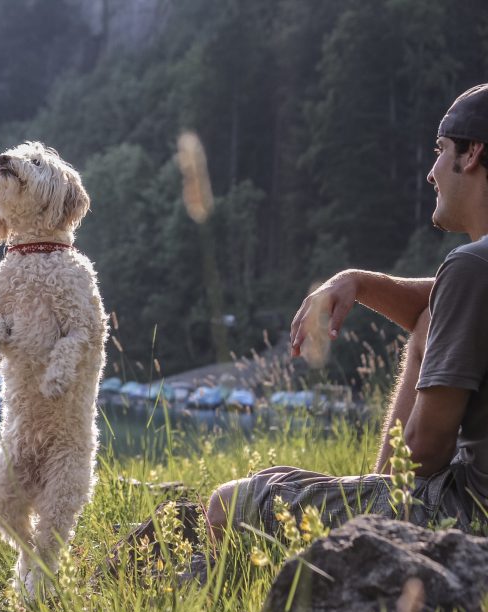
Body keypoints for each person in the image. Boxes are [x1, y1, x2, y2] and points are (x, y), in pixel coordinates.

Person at [207, 83, 488, 540]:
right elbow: (439, 300)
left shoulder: (472, 266)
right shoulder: (474, 273)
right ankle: (371, 510)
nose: (432, 172)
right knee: (425, 320)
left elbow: (425, 451)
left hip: (464, 515)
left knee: (226, 505)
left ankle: (364, 541)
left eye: (441, 150)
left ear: (472, 153)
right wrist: (354, 281)